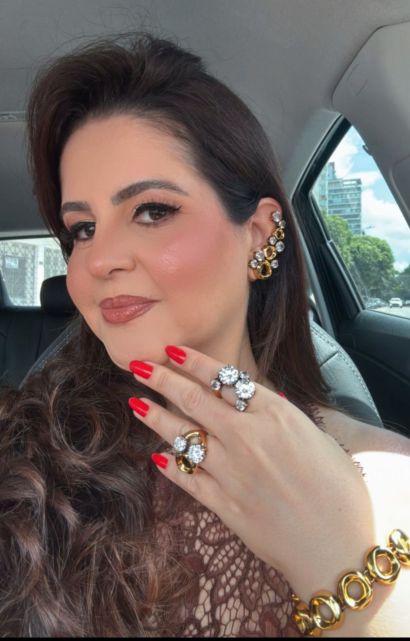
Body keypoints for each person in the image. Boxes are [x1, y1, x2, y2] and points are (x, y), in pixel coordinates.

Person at [0, 32, 409, 637]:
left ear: (259, 234)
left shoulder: (387, 476)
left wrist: (342, 568)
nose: (98, 259)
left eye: (152, 210)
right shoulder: (25, 446)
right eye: (82, 229)